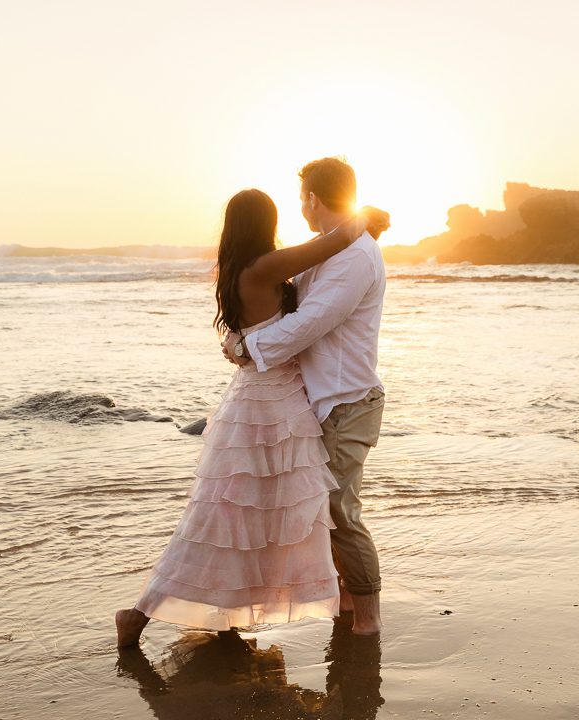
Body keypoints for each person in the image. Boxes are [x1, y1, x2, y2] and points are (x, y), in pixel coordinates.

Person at [115, 187, 388, 647]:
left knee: (238, 517)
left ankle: (214, 611)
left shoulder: (240, 267)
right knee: (233, 518)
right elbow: (336, 242)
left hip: (261, 401)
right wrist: (367, 216)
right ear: (265, 222)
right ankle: (139, 614)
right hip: (272, 405)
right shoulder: (266, 266)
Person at [223, 157, 388, 635]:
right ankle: (350, 606)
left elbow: (310, 322)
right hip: (323, 401)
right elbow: (290, 302)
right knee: (323, 509)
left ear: (314, 199)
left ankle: (369, 617)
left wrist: (248, 348)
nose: (301, 207)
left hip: (347, 400)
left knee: (338, 510)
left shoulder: (355, 257)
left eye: (302, 199)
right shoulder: (331, 249)